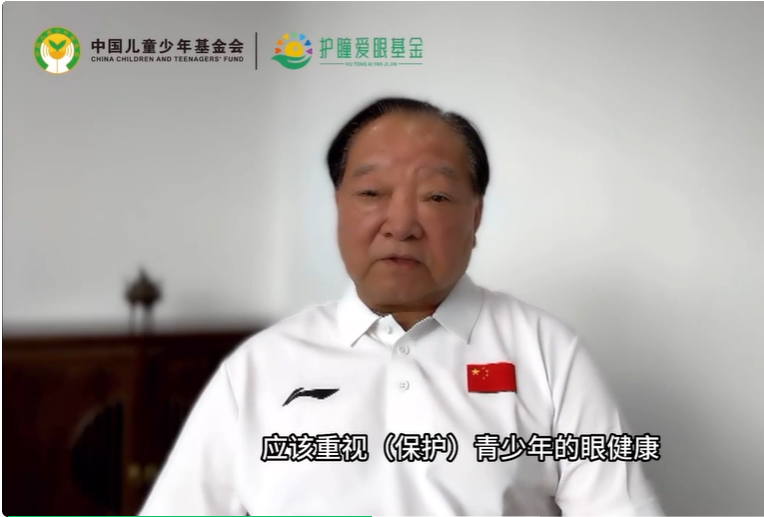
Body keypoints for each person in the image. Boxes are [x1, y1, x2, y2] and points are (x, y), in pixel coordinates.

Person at [139, 97, 663, 516]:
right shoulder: (260, 367)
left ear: (475, 216)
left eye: (435, 197)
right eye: (372, 192)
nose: (401, 224)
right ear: (338, 207)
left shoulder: (548, 354)